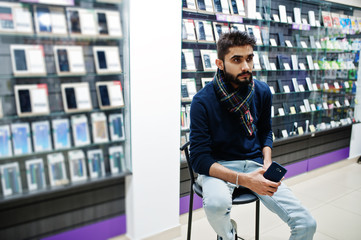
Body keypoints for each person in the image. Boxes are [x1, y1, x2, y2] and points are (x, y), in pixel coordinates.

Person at [189, 31, 317, 240]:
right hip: (218, 167)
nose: (246, 67)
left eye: (249, 58)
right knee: (216, 204)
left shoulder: (262, 91)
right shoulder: (202, 101)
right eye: (237, 60)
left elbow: (265, 131)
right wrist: (244, 180)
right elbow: (199, 159)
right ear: (220, 63)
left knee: (307, 223)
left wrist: (267, 163)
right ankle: (229, 235)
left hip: (256, 165)